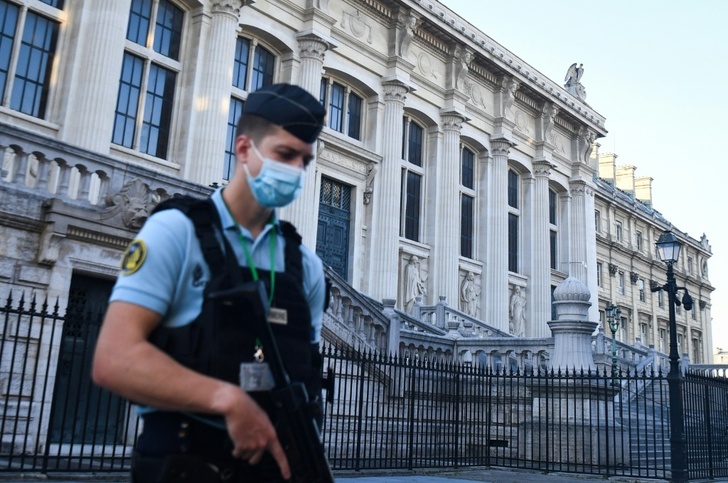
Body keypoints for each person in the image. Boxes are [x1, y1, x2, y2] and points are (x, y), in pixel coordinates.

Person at [92, 83, 327, 482]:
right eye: (285, 155)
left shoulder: (306, 267)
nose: (296, 171)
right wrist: (226, 399)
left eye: (305, 160)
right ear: (244, 149)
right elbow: (113, 360)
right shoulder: (175, 233)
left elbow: (307, 374)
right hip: (186, 464)